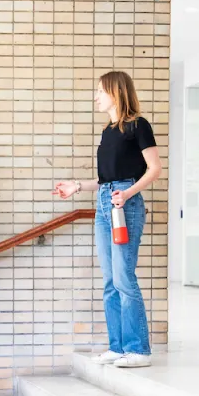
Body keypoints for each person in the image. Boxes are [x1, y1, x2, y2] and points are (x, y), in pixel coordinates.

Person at [53, 71, 161, 368]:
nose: (96, 96)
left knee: (125, 279)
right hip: (105, 203)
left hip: (125, 203)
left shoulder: (139, 126)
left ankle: (139, 350)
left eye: (100, 91)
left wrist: (128, 195)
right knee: (110, 282)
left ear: (116, 92)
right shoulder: (108, 131)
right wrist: (77, 186)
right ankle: (118, 346)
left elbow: (154, 169)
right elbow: (105, 179)